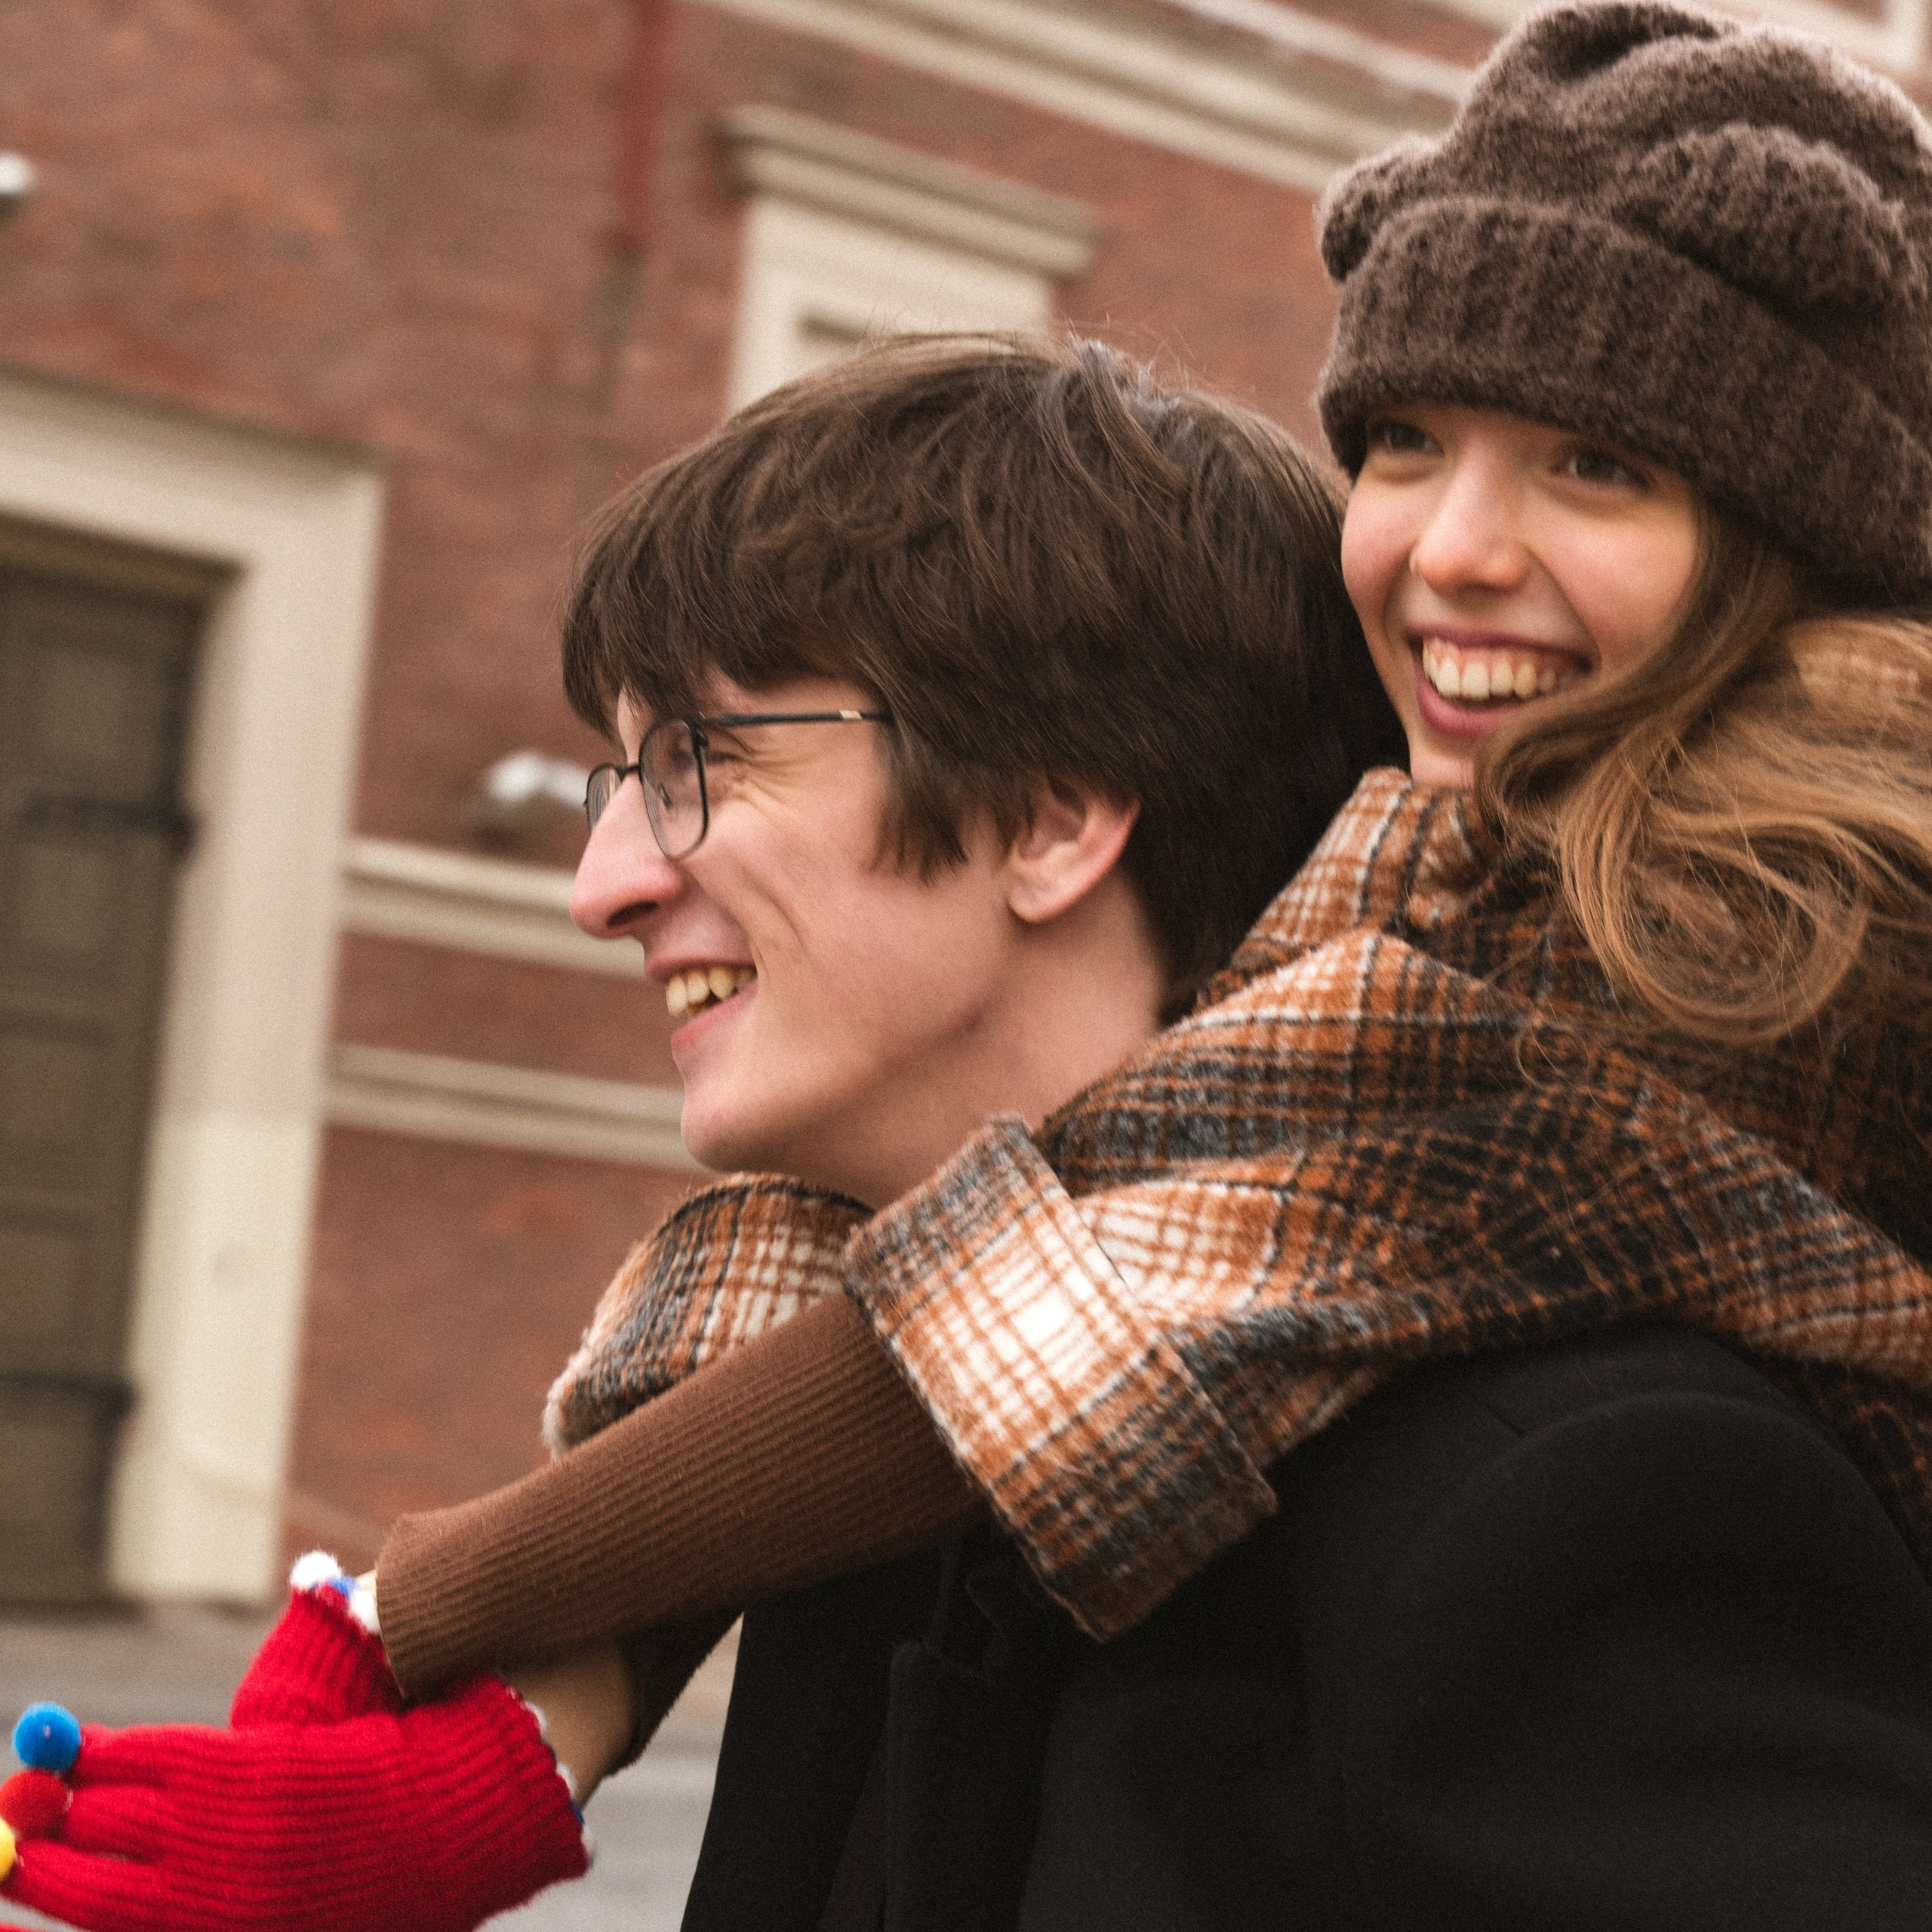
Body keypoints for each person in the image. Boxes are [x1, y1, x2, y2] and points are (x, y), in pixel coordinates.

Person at [12, 2, 1932, 1921]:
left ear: (1057, 814)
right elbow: (1038, 1261)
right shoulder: (1308, 1032)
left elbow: (1117, 1259)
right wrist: (529, 1687)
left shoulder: (1747, 986)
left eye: (1593, 462)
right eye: (1404, 442)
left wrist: (456, 1617)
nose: (1445, 549)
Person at [0, 331, 1401, 1927]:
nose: (601, 883)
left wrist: (422, 1612)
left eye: (697, 760)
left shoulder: (1511, 1515)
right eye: (621, 771)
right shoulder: (844, 1472)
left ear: (1046, 815)